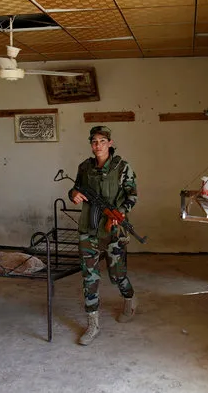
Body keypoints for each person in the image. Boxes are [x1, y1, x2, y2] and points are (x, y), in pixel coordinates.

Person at [69, 126, 138, 346]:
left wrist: (121, 212)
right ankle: (93, 324)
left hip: (113, 230)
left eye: (102, 141)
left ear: (110, 142)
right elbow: (74, 189)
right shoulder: (84, 167)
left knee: (117, 275)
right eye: (94, 141)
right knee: (89, 277)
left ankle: (129, 299)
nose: (97, 145)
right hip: (88, 229)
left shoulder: (122, 167)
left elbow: (132, 195)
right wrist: (74, 195)